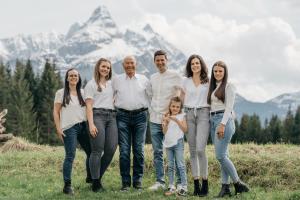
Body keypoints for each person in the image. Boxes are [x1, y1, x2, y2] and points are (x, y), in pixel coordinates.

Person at [207, 61, 250, 197]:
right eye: (215, 71)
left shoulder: (229, 86)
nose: (218, 73)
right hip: (214, 120)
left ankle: (238, 184)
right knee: (224, 156)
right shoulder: (213, 86)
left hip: (223, 121)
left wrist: (223, 124)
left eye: (220, 71)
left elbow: (229, 107)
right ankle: (225, 188)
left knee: (220, 156)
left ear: (225, 73)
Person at [112, 55, 150, 191]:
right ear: (123, 65)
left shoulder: (144, 80)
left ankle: (138, 180)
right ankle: (126, 182)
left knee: (139, 150)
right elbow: (110, 96)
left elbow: (151, 97)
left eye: (131, 63)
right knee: (124, 151)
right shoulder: (117, 80)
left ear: (136, 64)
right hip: (122, 116)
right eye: (126, 63)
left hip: (141, 116)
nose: (129, 65)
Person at [53, 68, 91, 195]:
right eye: (71, 75)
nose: (73, 77)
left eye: (75, 75)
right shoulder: (61, 92)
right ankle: (67, 186)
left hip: (83, 126)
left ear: (79, 78)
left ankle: (90, 178)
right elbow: (56, 111)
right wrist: (58, 128)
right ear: (67, 78)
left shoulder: (83, 92)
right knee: (70, 155)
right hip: (69, 128)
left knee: (91, 152)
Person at [148, 50, 182, 191]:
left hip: (170, 119)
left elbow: (178, 96)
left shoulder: (175, 76)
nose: (160, 62)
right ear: (154, 62)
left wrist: (170, 113)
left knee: (174, 150)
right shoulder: (153, 77)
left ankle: (180, 182)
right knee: (157, 152)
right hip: (155, 119)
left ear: (167, 60)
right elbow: (151, 96)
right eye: (157, 60)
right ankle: (160, 181)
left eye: (163, 60)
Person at [84, 58, 118, 192]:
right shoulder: (91, 85)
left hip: (111, 117)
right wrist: (91, 124)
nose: (106, 69)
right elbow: (88, 106)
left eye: (108, 68)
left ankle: (94, 177)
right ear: (98, 67)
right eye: (103, 66)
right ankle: (96, 183)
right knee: (97, 150)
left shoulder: (111, 84)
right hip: (97, 115)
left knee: (111, 149)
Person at [181, 54, 210, 196]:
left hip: (204, 113)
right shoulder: (185, 81)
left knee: (200, 149)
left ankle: (205, 182)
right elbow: (180, 99)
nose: (195, 65)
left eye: (197, 63)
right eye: (192, 64)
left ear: (201, 64)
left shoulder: (208, 81)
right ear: (189, 66)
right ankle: (196, 185)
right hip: (188, 114)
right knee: (192, 151)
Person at [162, 97, 188, 196]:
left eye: (177, 107)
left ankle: (184, 186)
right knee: (171, 165)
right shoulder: (166, 116)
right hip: (168, 144)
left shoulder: (182, 116)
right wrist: (166, 123)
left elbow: (185, 129)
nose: (175, 108)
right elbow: (164, 132)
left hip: (178, 143)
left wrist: (176, 120)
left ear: (180, 107)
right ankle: (171, 186)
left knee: (180, 165)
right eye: (173, 106)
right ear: (170, 106)